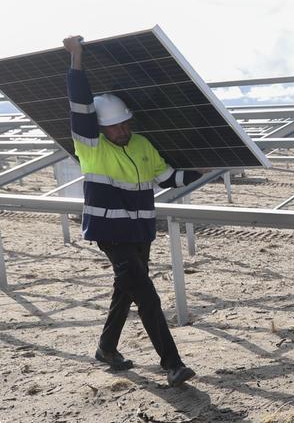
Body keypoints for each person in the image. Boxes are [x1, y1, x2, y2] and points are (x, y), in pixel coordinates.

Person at [64, 35, 200, 386]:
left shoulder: (141, 143)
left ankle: (106, 348)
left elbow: (168, 177)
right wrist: (76, 58)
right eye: (115, 126)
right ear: (101, 127)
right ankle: (173, 364)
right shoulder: (90, 146)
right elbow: (79, 105)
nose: (123, 130)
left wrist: (206, 167)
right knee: (147, 297)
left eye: (126, 124)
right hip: (111, 234)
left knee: (125, 291)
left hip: (141, 232)